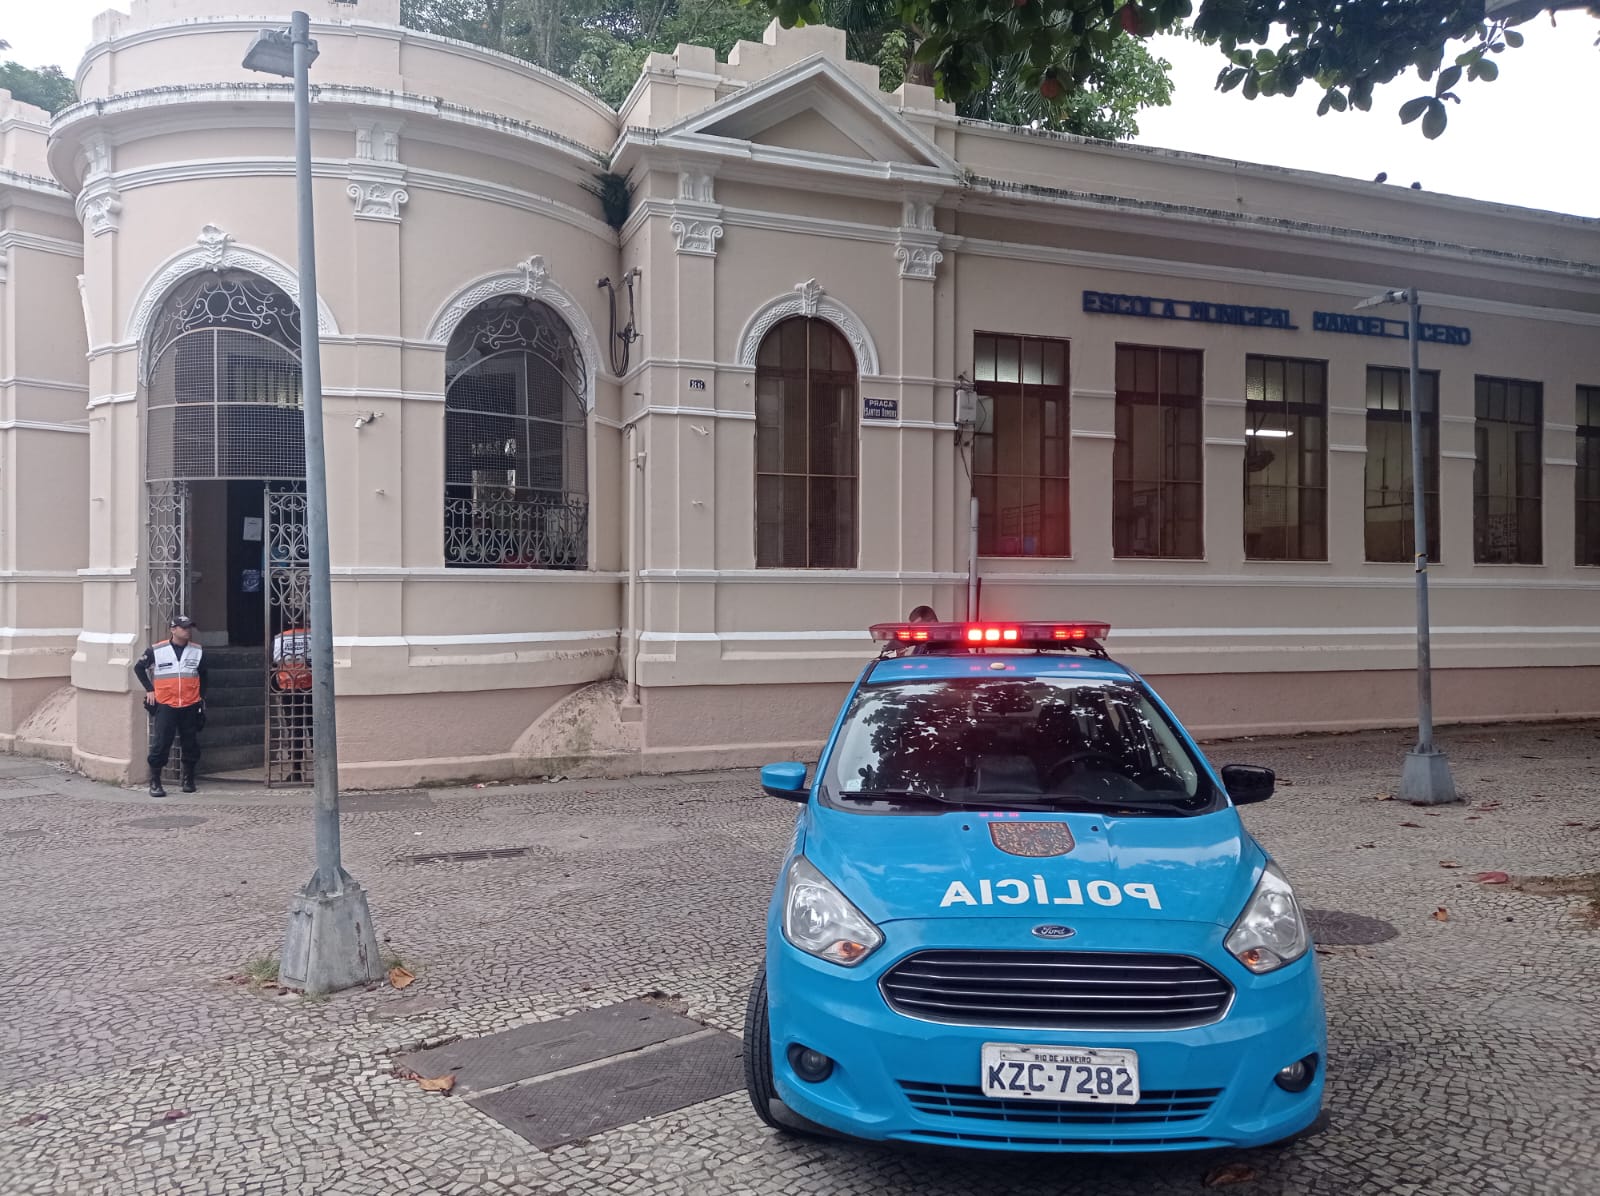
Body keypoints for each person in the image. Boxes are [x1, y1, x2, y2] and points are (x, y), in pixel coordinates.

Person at [133, 615, 208, 796]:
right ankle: (155, 781)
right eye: (184, 628)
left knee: (190, 743)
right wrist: (150, 690)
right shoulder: (157, 650)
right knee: (161, 743)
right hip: (166, 704)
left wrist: (201, 698)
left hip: (189, 704)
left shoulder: (197, 651)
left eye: (189, 627)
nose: (188, 631)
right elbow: (138, 667)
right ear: (173, 630)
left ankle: (188, 778)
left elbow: (204, 675)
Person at [272, 624, 312, 782]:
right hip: (309, 685)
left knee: (295, 729)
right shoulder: (311, 634)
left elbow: (274, 661)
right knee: (314, 727)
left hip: (288, 686)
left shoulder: (280, 637)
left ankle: (296, 771)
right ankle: (321, 770)